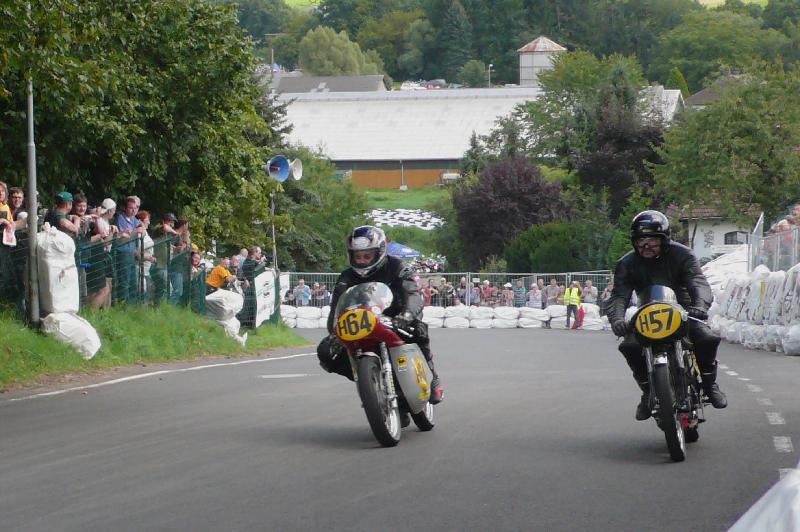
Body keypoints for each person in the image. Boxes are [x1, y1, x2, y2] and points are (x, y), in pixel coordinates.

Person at [607, 210, 727, 421]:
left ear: (664, 239)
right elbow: (618, 295)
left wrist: (700, 305)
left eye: (652, 240)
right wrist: (616, 319)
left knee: (707, 338)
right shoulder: (627, 263)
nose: (646, 246)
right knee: (629, 346)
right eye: (641, 240)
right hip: (647, 316)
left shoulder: (683, 255)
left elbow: (698, 282)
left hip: (684, 311)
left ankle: (709, 384)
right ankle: (647, 392)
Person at [317, 225, 443, 404]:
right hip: (361, 323)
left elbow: (412, 293)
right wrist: (334, 331)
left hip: (396, 317)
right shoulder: (346, 277)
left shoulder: (396, 266)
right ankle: (369, 379)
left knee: (419, 329)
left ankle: (433, 377)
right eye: (357, 256)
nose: (362, 261)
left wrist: (406, 315)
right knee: (326, 352)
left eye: (367, 256)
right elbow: (336, 306)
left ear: (379, 252)